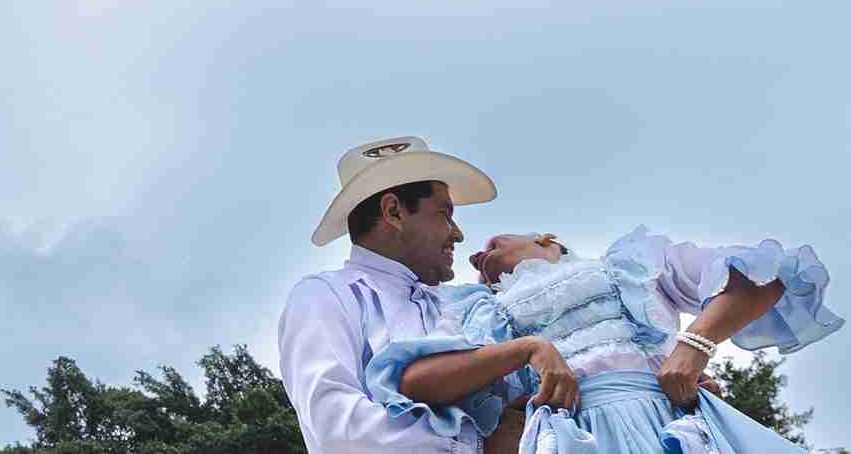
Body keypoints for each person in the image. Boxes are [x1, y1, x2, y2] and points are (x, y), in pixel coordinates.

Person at [365, 228, 844, 453]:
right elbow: (411, 381)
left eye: (492, 244)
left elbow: (768, 274)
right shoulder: (477, 314)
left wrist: (693, 347)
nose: (475, 256)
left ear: (549, 241)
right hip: (568, 441)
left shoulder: (632, 266)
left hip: (672, 428)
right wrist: (524, 350)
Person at [278, 136, 527, 453]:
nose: (458, 233)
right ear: (394, 211)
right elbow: (337, 427)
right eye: (444, 213)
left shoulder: (460, 306)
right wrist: (478, 447)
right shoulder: (325, 296)